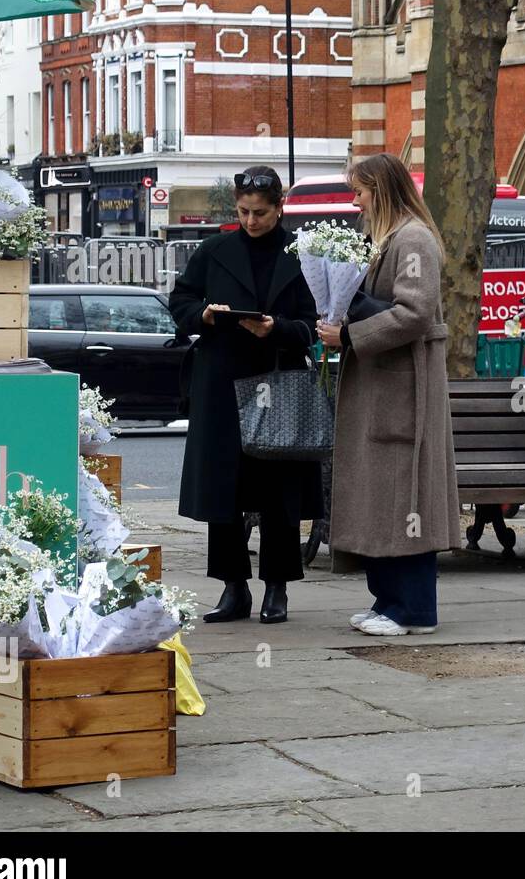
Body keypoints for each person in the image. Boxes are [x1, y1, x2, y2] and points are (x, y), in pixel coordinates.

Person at [169, 165, 323, 625]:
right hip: (221, 382)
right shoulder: (215, 249)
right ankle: (233, 588)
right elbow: (180, 303)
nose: (251, 221)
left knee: (279, 493)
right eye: (243, 212)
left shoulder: (303, 253)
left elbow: (314, 322)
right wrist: (207, 316)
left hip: (279, 380)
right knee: (224, 491)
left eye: (260, 213)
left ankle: (277, 589)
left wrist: (278, 329)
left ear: (280, 207)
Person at [316, 153, 461, 636]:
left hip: (403, 386)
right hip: (385, 382)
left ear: (382, 190)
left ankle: (412, 610)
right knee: (381, 496)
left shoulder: (412, 238)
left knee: (404, 496)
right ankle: (388, 601)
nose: (354, 200)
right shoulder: (389, 237)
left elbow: (415, 312)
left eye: (360, 190)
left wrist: (352, 336)